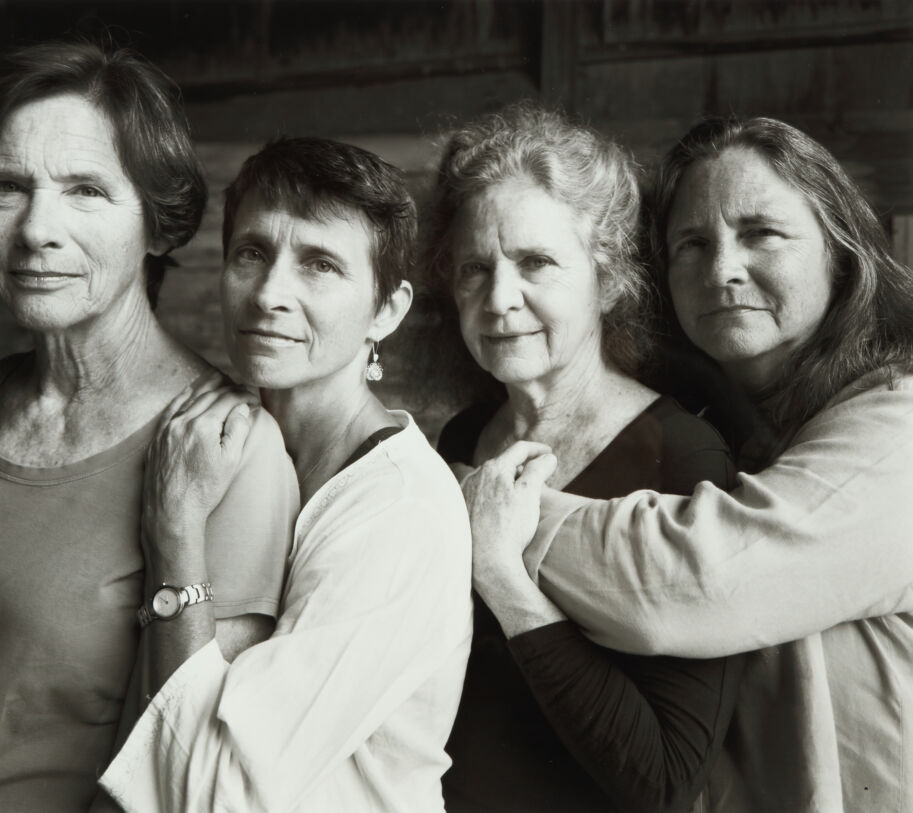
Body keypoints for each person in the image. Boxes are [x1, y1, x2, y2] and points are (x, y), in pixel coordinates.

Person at [0, 41, 297, 811]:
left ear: (157, 225)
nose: (38, 228)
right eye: (6, 187)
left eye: (85, 190)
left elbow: (195, 765)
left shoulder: (227, 448)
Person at [467, 116, 913, 811]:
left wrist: (465, 498)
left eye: (761, 232)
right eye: (691, 243)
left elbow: (702, 577)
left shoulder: (898, 428)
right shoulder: (746, 426)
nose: (721, 269)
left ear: (841, 250)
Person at [94, 138, 473, 812]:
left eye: (319, 265)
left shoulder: (398, 512)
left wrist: (175, 531)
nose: (270, 293)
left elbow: (219, 794)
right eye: (252, 252)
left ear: (386, 310)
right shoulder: (223, 442)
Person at [422, 102, 742, 812]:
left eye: (534, 261)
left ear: (609, 275)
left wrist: (501, 575)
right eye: (476, 267)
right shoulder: (462, 437)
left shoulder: (684, 455)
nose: (499, 298)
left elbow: (664, 776)